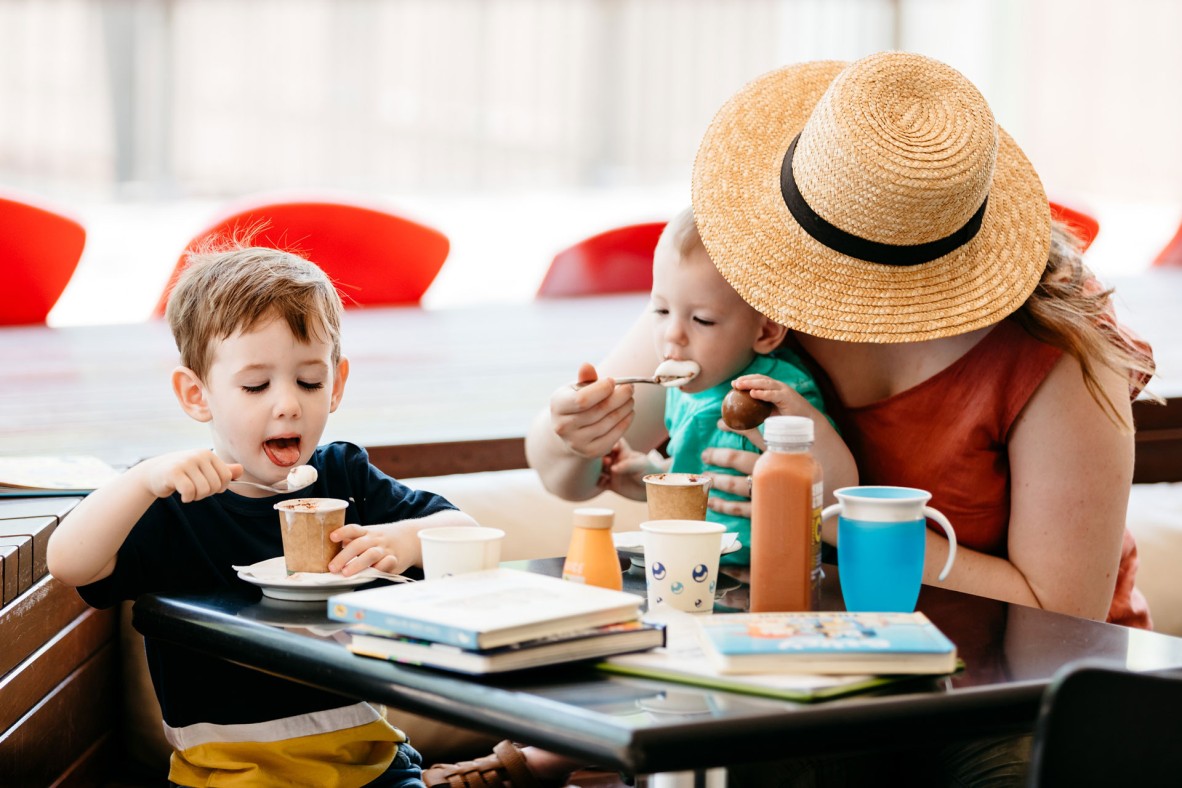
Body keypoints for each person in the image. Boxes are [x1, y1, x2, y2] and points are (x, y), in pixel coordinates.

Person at [515, 51, 1157, 786]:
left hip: (1012, 700)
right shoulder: (752, 276)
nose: (809, 295)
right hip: (812, 678)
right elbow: (568, 472)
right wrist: (574, 437)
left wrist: (827, 515)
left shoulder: (1058, 351)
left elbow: (1058, 618)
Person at [47, 245, 480, 788]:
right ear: (196, 394)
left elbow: (462, 529)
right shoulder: (175, 503)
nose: (288, 404)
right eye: (256, 385)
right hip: (230, 777)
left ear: (337, 383)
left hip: (373, 770)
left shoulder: (343, 477)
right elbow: (69, 563)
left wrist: (402, 539)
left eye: (309, 381)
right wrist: (140, 480)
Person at [591, 205, 857, 564]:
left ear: (765, 331)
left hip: (774, 570)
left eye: (702, 319)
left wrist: (811, 426)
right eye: (661, 311)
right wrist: (648, 477)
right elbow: (701, 476)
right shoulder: (682, 394)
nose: (673, 334)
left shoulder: (777, 392)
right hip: (691, 562)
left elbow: (838, 491)